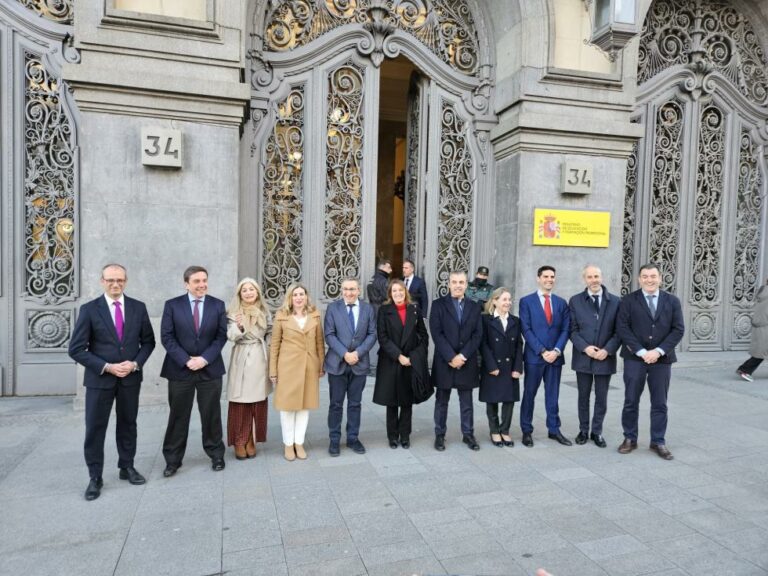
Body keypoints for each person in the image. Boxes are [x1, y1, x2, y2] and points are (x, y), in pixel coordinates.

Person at [69, 264, 155, 501]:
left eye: (120, 280)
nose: (115, 284)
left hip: (130, 378)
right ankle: (95, 476)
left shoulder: (138, 307)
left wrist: (135, 364)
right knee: (95, 428)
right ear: (102, 281)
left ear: (125, 281)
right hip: (100, 380)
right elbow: (76, 349)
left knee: (128, 424)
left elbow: (148, 342)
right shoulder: (89, 310)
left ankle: (127, 467)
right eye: (110, 280)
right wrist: (106, 366)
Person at [160, 265, 228, 477]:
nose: (202, 285)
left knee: (211, 414)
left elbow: (221, 337)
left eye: (204, 280)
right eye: (197, 281)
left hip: (210, 370)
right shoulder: (172, 305)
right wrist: (186, 360)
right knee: (178, 416)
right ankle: (172, 460)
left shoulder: (217, 305)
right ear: (186, 284)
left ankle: (216, 454)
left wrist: (204, 359)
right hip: (180, 370)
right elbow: (167, 337)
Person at [617, 263, 684, 460]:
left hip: (662, 360)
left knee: (660, 403)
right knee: (631, 400)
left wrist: (658, 351)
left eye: (653, 276)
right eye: (645, 276)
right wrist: (640, 351)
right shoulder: (628, 300)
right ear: (639, 279)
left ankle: (658, 441)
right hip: (634, 359)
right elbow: (623, 328)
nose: (649, 280)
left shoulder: (672, 301)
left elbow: (678, 329)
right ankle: (630, 438)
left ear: (660, 278)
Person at [269, 283, 325, 461]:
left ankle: (298, 442)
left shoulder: (315, 315)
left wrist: (321, 365)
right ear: (290, 298)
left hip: (309, 365)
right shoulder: (281, 316)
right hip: (287, 367)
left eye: (302, 294)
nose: (299, 297)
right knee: (287, 407)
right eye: (295, 295)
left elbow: (319, 342)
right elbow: (274, 345)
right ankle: (288, 444)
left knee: (304, 406)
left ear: (306, 296)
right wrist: (273, 370)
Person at [568, 265, 621, 448]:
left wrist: (607, 350)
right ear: (585, 279)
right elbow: (572, 330)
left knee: (601, 397)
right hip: (583, 357)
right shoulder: (575, 301)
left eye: (596, 276)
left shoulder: (616, 302)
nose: (594, 280)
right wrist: (585, 348)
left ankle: (596, 431)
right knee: (583, 396)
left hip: (605, 357)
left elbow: (619, 331)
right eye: (590, 277)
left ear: (602, 277)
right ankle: (583, 430)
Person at [372, 279, 429, 448]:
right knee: (391, 401)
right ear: (390, 294)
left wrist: (415, 356)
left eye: (401, 290)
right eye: (394, 291)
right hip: (391, 360)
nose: (398, 293)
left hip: (410, 360)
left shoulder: (414, 309)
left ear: (405, 292)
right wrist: (398, 356)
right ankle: (392, 436)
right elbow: (382, 337)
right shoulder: (384, 310)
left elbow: (423, 336)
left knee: (406, 401)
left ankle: (405, 435)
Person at [519, 265, 571, 447]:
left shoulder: (561, 303)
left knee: (553, 396)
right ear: (538, 278)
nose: (549, 279)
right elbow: (526, 329)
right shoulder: (526, 301)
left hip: (555, 358)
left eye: (552, 277)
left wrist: (556, 351)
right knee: (529, 394)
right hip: (534, 357)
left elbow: (566, 329)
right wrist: (542, 350)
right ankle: (526, 430)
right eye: (546, 276)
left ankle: (554, 430)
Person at [430, 271, 483, 451]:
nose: (458, 285)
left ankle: (468, 434)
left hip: (466, 362)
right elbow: (436, 333)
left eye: (461, 282)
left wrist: (463, 356)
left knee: (466, 402)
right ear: (449, 284)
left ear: (466, 285)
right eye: (454, 282)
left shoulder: (474, 307)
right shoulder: (438, 305)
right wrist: (451, 356)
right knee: (441, 401)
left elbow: (478, 334)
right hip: (445, 361)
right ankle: (439, 435)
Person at [324, 278, 377, 456]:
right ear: (341, 290)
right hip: (337, 363)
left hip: (359, 363)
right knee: (336, 404)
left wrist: (358, 353)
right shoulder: (333, 308)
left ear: (359, 290)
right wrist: (345, 354)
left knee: (355, 404)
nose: (349, 292)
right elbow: (329, 335)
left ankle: (353, 438)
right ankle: (334, 440)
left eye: (352, 289)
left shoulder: (368, 309)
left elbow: (372, 334)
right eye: (346, 289)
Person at [225, 278, 271, 460]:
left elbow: (270, 332)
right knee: (240, 402)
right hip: (242, 357)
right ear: (240, 294)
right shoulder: (233, 312)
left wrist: (271, 351)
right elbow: (231, 336)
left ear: (257, 292)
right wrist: (239, 326)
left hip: (260, 358)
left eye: (252, 289)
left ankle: (251, 438)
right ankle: (239, 439)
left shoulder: (264, 311)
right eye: (244, 290)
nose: (249, 292)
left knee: (257, 402)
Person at [480, 287, 523, 447]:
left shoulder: (515, 321)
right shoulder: (485, 320)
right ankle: (494, 431)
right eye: (504, 299)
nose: (508, 302)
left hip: (510, 367)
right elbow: (483, 344)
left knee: (509, 400)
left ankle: (505, 430)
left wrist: (517, 368)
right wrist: (491, 365)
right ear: (495, 301)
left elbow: (519, 345)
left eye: (509, 299)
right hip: (492, 366)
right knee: (492, 400)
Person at [736, 279, 768, 382]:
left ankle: (744, 369)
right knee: (761, 352)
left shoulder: (763, 290)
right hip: (765, 326)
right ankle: (744, 370)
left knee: (762, 351)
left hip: (760, 324)